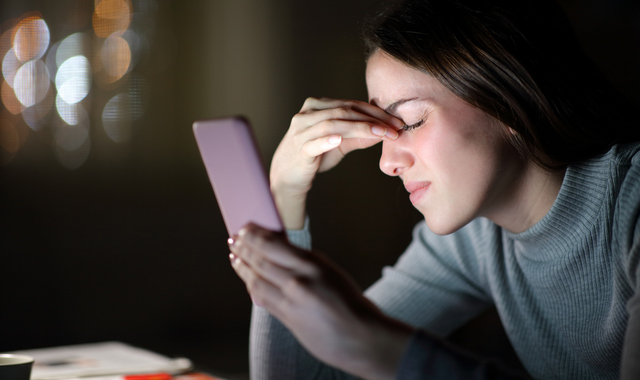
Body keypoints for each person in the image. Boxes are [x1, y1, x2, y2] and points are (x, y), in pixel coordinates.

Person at [227, 0, 640, 378]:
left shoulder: (632, 204)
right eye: (382, 129)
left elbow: (362, 349)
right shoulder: (475, 238)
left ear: (509, 100)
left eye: (408, 122)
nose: (387, 164)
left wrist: (374, 344)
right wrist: (282, 195)